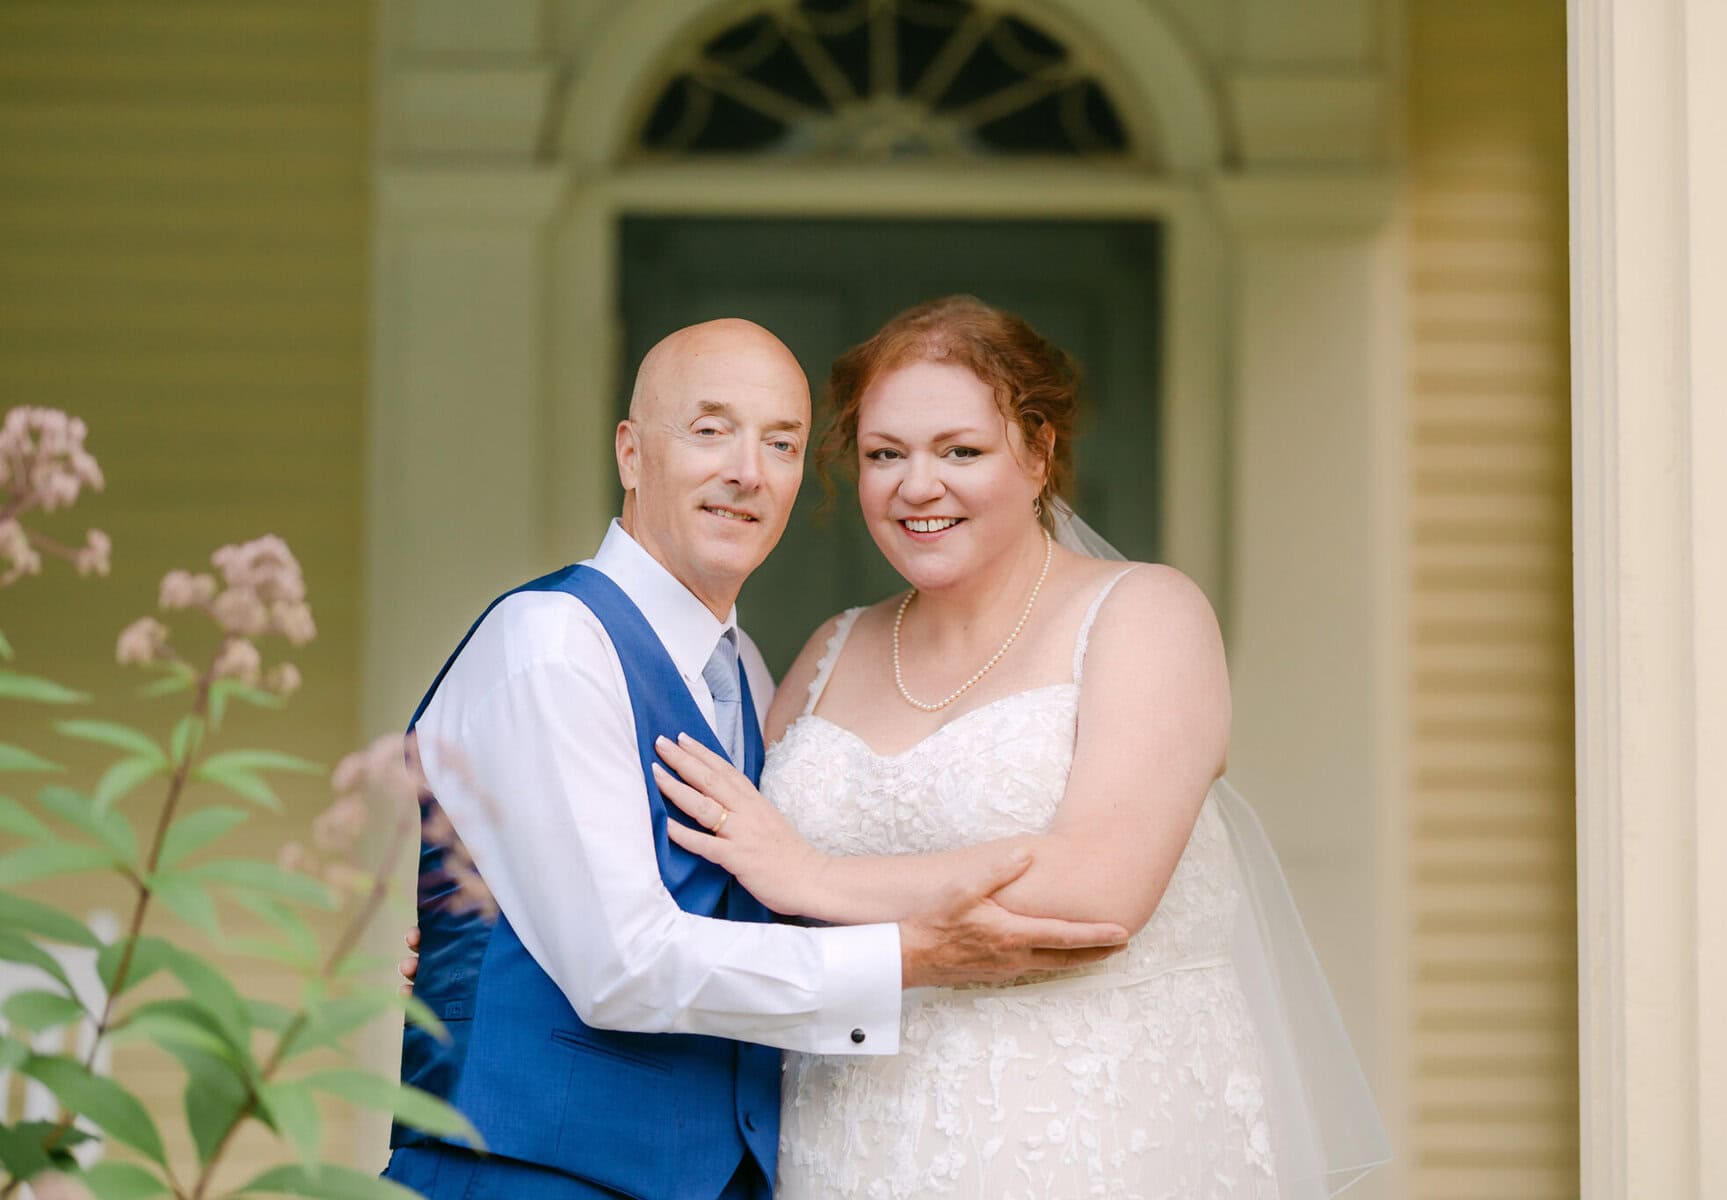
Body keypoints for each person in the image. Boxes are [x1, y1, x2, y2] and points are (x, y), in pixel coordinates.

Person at [645, 297, 1390, 1198]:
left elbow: (1096, 888)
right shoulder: (827, 652)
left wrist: (816, 879)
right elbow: (718, 887)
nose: (918, 486)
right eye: (886, 455)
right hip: (842, 1144)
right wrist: (489, 934)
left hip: (1083, 1135)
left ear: (1037, 455)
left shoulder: (1146, 616)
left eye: (960, 451)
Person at [381, 317, 1132, 1200]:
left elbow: (752, 897)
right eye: (710, 431)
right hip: (524, 1172)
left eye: (781, 443)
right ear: (631, 453)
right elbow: (621, 965)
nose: (747, 470)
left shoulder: (746, 672)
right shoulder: (552, 642)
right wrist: (915, 955)